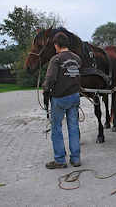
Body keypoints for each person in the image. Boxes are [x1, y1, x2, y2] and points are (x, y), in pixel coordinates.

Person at [42, 32, 82, 169]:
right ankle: (76, 159)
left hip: (60, 98)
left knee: (56, 128)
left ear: (56, 45)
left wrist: (45, 89)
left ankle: (60, 160)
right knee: (74, 127)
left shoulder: (56, 59)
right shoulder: (77, 58)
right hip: (75, 96)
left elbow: (50, 79)